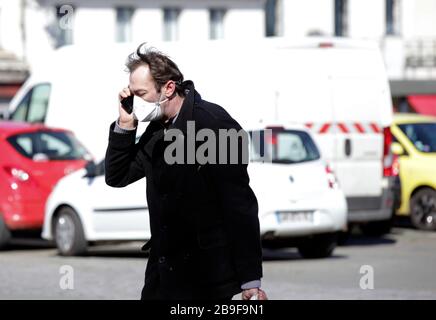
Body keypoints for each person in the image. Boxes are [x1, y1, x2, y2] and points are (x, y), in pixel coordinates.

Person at [105, 43, 267, 300]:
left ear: (168, 88)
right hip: (163, 274)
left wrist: (250, 279)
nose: (135, 102)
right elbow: (117, 176)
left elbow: (239, 205)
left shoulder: (212, 124)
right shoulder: (156, 130)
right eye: (131, 94)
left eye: (141, 93)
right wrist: (125, 126)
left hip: (206, 277)